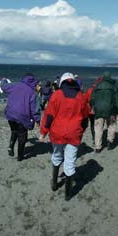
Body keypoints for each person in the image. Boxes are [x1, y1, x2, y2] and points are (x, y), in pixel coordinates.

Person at [39, 72, 89, 201]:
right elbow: (85, 119)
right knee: (70, 162)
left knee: (56, 156)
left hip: (57, 133)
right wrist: (80, 131)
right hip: (74, 134)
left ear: (62, 82)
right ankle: (67, 194)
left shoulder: (56, 95)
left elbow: (49, 116)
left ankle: (55, 184)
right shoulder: (81, 97)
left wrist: (43, 132)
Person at [0, 73, 41, 161]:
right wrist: (37, 120)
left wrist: (3, 80)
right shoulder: (32, 93)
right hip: (22, 117)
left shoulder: (15, 85)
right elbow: (34, 110)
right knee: (22, 136)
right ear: (33, 81)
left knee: (14, 130)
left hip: (10, 114)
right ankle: (20, 156)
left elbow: (3, 87)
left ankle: (10, 147)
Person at [90, 71, 118, 153]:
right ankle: (110, 142)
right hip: (111, 110)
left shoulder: (97, 86)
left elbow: (92, 99)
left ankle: (98, 147)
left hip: (99, 110)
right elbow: (117, 100)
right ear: (110, 77)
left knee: (98, 128)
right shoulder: (113, 87)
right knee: (111, 126)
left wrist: (93, 106)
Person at [84, 77, 103, 146]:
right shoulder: (101, 91)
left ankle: (94, 139)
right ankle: (97, 139)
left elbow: (85, 100)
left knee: (93, 125)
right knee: (99, 125)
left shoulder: (89, 90)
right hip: (99, 110)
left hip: (91, 111)